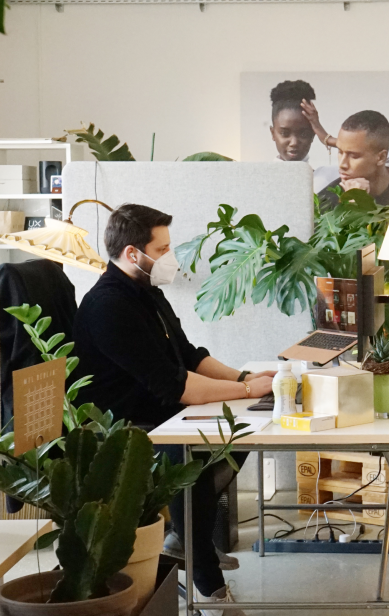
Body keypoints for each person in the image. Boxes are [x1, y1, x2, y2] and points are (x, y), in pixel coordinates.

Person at [72, 204, 275, 614]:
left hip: (161, 409)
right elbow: (174, 384)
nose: (170, 258)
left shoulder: (149, 294)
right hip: (126, 427)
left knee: (242, 432)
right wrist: (248, 389)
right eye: (162, 249)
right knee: (194, 458)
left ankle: (186, 538)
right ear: (133, 253)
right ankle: (207, 580)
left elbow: (189, 356)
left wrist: (245, 381)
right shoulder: (108, 306)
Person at [268, 80, 389, 193]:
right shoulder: (263, 177)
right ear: (272, 133)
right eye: (285, 133)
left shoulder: (328, 176)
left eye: (304, 133)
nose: (294, 142)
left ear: (313, 135)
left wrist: (327, 137)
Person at [316, 110, 389, 212]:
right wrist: (354, 201)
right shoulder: (325, 202)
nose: (342, 164)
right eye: (340, 152)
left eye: (354, 156)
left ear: (381, 158)